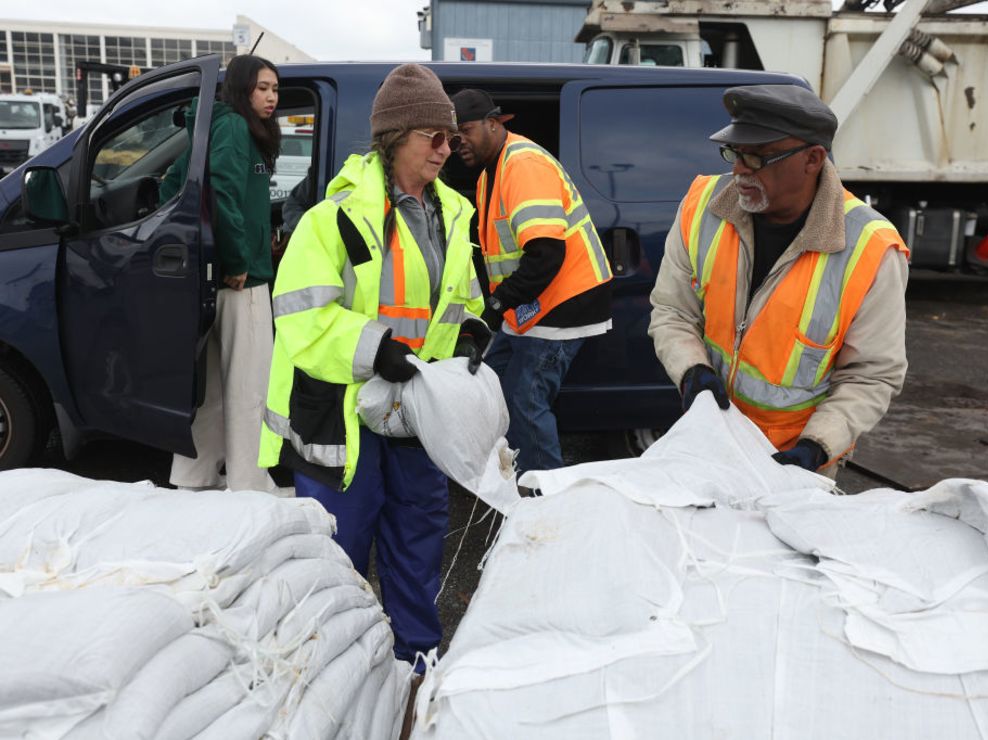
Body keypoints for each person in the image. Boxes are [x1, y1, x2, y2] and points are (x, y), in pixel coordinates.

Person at [258, 64, 489, 668]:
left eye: (451, 136)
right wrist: (374, 346)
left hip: (416, 417)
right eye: (433, 137)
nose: (448, 148)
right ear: (393, 138)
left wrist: (470, 331)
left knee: (417, 550)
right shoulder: (331, 220)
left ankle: (417, 663)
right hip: (344, 426)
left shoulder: (454, 217)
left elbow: (460, 298)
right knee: (340, 561)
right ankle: (337, 670)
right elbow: (300, 318)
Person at [648, 84, 909, 476]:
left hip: (798, 463)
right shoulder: (703, 205)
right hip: (709, 440)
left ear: (813, 159)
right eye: (735, 153)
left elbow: (872, 375)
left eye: (758, 157)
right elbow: (672, 311)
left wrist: (818, 445)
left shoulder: (871, 248)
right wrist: (692, 371)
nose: (739, 169)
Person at [451, 88, 613, 475]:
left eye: (465, 131)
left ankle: (545, 496)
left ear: (494, 124)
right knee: (495, 379)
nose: (458, 144)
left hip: (565, 299)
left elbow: (546, 255)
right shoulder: (492, 172)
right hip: (535, 303)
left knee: (525, 397)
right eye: (451, 137)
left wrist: (496, 305)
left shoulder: (521, 164)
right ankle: (512, 475)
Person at [160, 54, 281, 493]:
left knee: (209, 387)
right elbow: (226, 193)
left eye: (275, 90)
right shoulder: (235, 127)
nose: (271, 98)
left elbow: (171, 183)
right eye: (263, 88)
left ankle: (195, 474)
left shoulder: (214, 125)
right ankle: (250, 482)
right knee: (249, 385)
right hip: (240, 279)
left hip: (214, 274)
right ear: (243, 87)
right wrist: (238, 260)